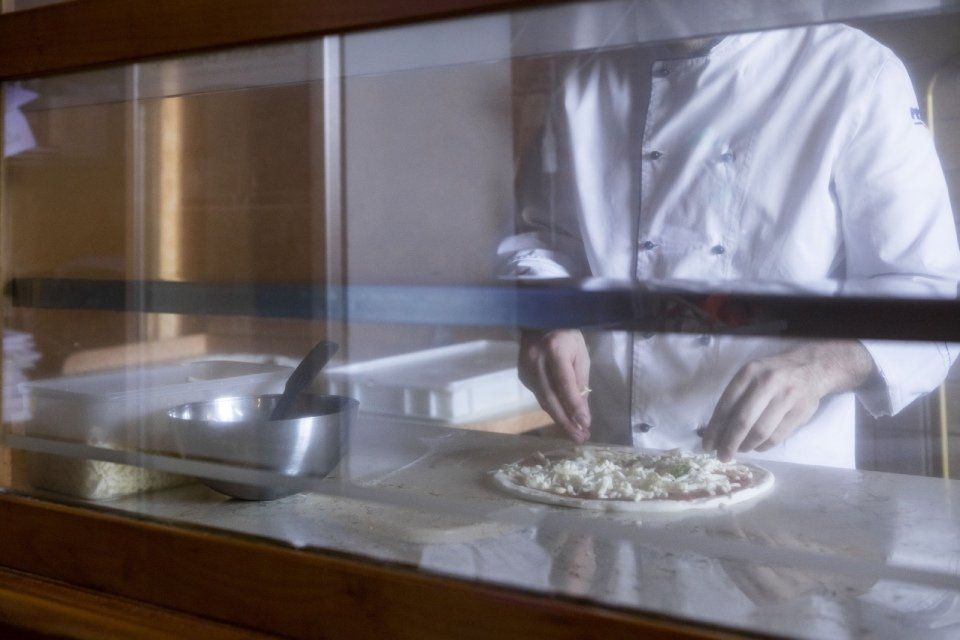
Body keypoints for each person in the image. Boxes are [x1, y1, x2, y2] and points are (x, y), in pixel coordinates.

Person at [498, 24, 960, 468]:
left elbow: (929, 289)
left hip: (784, 479)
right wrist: (548, 316)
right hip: (613, 464)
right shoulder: (586, 79)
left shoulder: (853, 69)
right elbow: (547, 238)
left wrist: (817, 368)